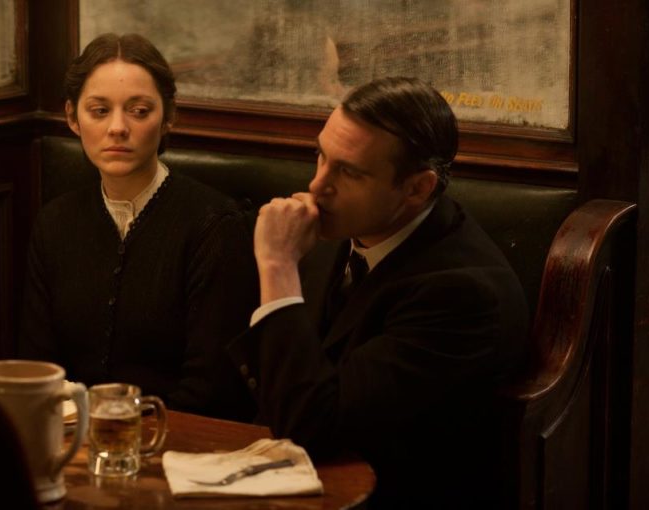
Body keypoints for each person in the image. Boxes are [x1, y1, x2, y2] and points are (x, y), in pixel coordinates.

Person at [227, 77, 529, 508]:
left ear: (417, 188)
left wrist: (277, 266)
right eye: (320, 156)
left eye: (349, 171)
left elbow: (313, 429)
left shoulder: (463, 295)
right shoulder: (340, 230)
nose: (317, 186)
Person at [19, 33, 257, 422]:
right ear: (72, 117)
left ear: (169, 117)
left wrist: (129, 438)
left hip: (178, 440)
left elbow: (212, 389)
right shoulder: (54, 223)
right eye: (99, 111)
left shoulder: (214, 225)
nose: (117, 127)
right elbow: (40, 370)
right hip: (74, 440)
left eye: (139, 111)